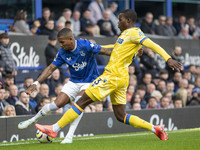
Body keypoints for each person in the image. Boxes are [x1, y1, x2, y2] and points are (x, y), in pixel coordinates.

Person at [35, 9, 183, 141]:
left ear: (129, 21)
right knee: (120, 116)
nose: (117, 22)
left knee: (82, 101)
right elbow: (116, 49)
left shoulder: (135, 32)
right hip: (122, 78)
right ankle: (155, 128)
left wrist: (168, 58)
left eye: (120, 19)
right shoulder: (125, 35)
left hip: (113, 76)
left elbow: (152, 44)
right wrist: (92, 48)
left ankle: (54, 129)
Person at [18, 28, 113, 144]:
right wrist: (36, 83)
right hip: (74, 82)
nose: (61, 45)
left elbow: (107, 51)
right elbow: (50, 68)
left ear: (70, 39)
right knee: (55, 105)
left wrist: (128, 54)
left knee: (79, 103)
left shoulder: (85, 45)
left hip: (90, 81)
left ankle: (69, 136)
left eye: (62, 42)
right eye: (59, 42)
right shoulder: (62, 52)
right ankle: (32, 120)